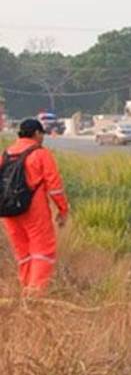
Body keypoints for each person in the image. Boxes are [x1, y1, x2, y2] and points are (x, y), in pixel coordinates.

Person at [1, 118, 69, 295]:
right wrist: (63, 210)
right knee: (42, 250)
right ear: (37, 134)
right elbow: (55, 188)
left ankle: (24, 286)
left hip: (8, 211)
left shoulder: (6, 153)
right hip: (33, 210)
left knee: (23, 252)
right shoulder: (41, 154)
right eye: (42, 134)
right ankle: (35, 294)